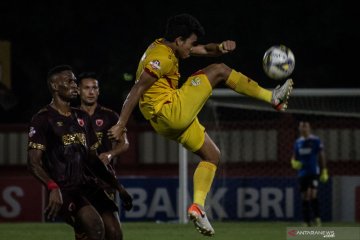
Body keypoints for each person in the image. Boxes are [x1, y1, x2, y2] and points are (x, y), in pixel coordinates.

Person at [108, 13, 294, 236]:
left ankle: (198, 206)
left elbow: (205, 50)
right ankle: (272, 97)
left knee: (212, 155)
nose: (192, 48)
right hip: (170, 110)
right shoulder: (161, 57)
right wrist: (121, 125)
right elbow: (137, 89)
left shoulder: (167, 45)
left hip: (164, 122)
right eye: (191, 43)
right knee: (219, 70)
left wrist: (220, 47)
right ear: (178, 40)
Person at [27, 65, 132, 240]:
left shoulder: (81, 117)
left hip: (90, 185)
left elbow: (92, 159)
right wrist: (52, 187)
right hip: (65, 189)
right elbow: (33, 163)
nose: (74, 85)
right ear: (54, 86)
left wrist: (117, 186)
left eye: (75, 81)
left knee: (114, 233)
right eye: (69, 81)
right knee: (95, 227)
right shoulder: (42, 119)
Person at [77, 71, 127, 239]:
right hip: (79, 182)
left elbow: (124, 143)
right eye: (86, 88)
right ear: (78, 90)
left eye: (94, 88)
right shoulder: (70, 116)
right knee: (87, 233)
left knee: (114, 233)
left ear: (99, 91)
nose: (91, 92)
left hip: (104, 181)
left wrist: (110, 154)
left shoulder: (110, 116)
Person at [291, 121, 329, 227]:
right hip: (302, 173)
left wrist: (324, 170)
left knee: (312, 194)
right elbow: (295, 156)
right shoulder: (298, 142)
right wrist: (293, 162)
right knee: (304, 196)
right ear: (299, 128)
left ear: (309, 128)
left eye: (305, 126)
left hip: (313, 171)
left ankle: (317, 218)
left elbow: (321, 155)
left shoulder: (315, 140)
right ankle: (307, 221)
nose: (303, 128)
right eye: (301, 126)